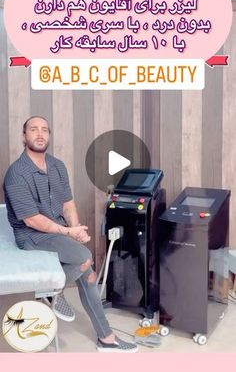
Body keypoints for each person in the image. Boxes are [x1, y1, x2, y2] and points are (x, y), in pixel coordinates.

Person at [3, 116, 138, 353]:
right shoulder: (16, 174)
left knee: (87, 274)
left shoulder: (57, 166)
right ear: (24, 137)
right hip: (30, 236)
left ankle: (106, 338)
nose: (40, 134)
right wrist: (68, 231)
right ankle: (55, 293)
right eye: (33, 129)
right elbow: (31, 219)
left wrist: (75, 230)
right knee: (85, 258)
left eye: (44, 130)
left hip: (57, 230)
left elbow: (68, 204)